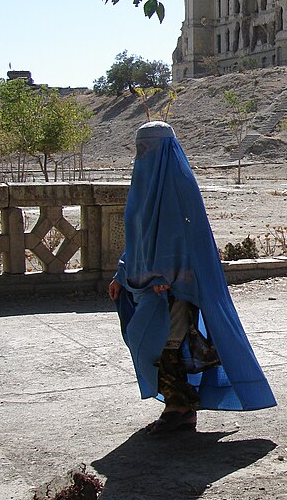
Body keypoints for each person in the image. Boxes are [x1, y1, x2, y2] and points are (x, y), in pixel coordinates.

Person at [107, 121, 276, 435]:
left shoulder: (179, 186)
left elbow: (185, 238)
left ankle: (180, 409)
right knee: (147, 345)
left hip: (175, 288)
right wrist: (121, 273)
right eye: (140, 147)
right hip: (146, 287)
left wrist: (168, 275)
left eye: (151, 147)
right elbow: (139, 240)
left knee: (164, 349)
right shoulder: (143, 187)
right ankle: (180, 407)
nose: (145, 154)